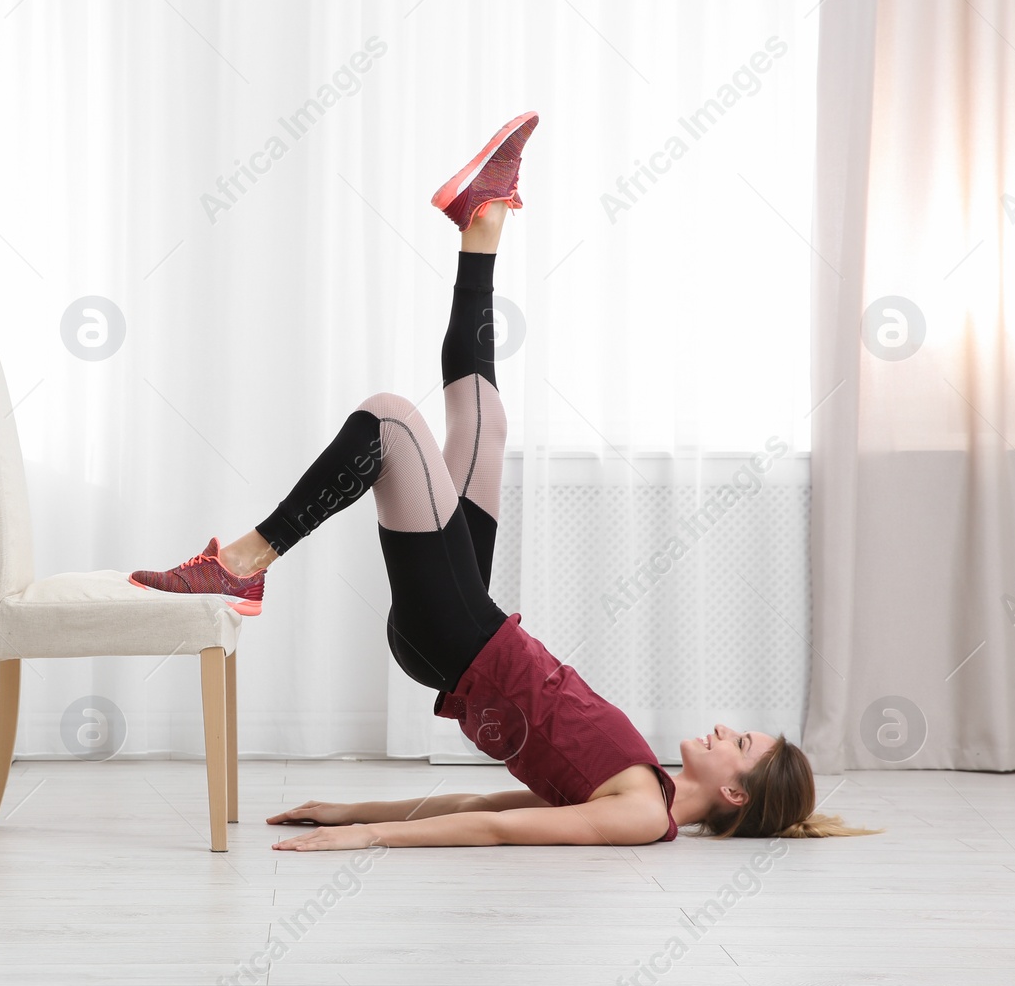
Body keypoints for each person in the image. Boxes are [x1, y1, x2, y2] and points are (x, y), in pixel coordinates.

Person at [131, 113, 874, 850]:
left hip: (454, 635)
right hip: (467, 625)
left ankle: (240, 565)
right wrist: (354, 809)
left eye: (739, 740)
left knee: (390, 421)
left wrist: (364, 844)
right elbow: (483, 795)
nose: (723, 728)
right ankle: (482, 219)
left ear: (736, 789)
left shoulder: (644, 813)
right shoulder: (642, 775)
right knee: (483, 419)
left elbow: (496, 828)